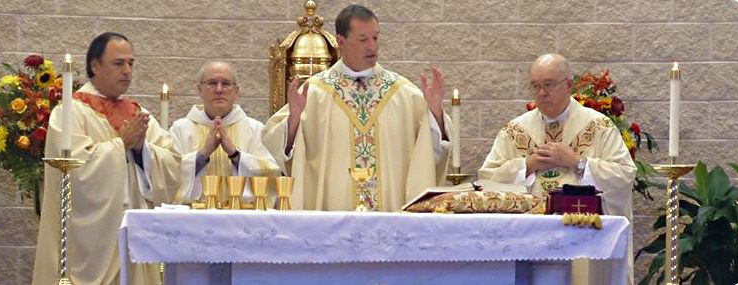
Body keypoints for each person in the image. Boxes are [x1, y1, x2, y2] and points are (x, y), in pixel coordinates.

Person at [263, 4, 451, 212]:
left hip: (390, 217)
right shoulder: (315, 93)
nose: (372, 46)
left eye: (376, 38)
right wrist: (293, 122)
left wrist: (435, 113)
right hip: (333, 217)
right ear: (341, 42)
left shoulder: (403, 94)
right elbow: (277, 150)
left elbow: (430, 150)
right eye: (363, 40)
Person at [33, 32, 180, 285]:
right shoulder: (70, 113)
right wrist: (121, 143)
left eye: (131, 63)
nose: (127, 71)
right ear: (95, 65)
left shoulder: (139, 114)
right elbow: (73, 173)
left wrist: (141, 149)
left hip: (135, 239)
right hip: (91, 244)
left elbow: (172, 167)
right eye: (118, 63)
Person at [478, 53, 636, 284]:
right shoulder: (515, 130)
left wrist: (576, 162)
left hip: (583, 234)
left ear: (569, 84)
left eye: (549, 84)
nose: (542, 93)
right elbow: (487, 179)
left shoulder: (598, 126)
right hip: (528, 239)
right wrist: (528, 165)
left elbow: (624, 175)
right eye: (535, 86)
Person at [170, 61, 279, 205]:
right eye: (212, 83)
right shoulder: (180, 129)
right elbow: (167, 174)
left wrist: (235, 154)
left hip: (242, 220)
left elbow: (272, 173)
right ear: (199, 90)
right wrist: (202, 155)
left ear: (236, 91)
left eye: (226, 84)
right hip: (194, 219)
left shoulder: (255, 130)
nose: (219, 89)